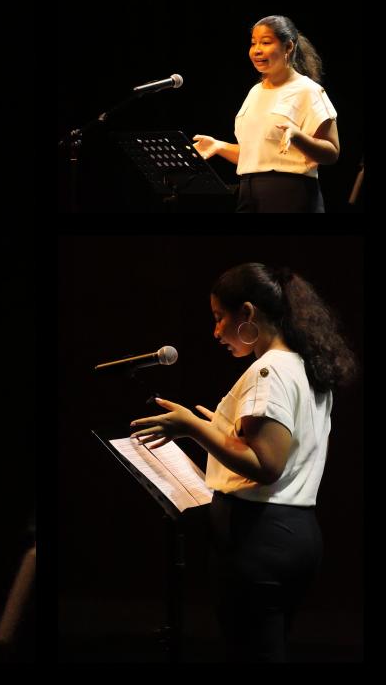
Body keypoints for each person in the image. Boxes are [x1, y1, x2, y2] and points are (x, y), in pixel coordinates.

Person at [131, 263, 357, 661]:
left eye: (220, 317)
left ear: (248, 313)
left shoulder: (268, 371)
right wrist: (218, 428)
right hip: (295, 533)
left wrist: (192, 428)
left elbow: (266, 465)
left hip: (259, 537)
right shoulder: (304, 366)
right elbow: (280, 450)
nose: (216, 331)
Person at [192, 16, 340, 213]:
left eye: (266, 42)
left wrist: (298, 136)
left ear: (288, 47)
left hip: (290, 194)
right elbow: (258, 154)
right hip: (248, 193)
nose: (257, 50)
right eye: (253, 43)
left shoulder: (307, 90)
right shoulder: (255, 92)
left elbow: (331, 152)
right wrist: (219, 146)